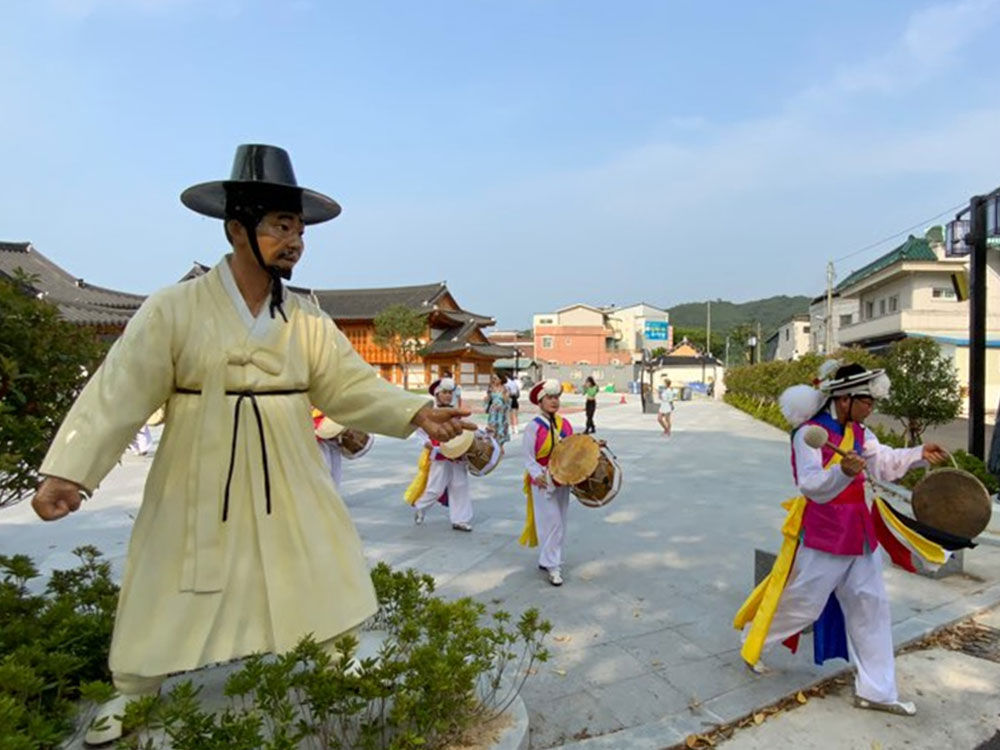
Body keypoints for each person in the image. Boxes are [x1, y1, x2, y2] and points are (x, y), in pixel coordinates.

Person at [29, 144, 473, 745]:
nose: (295, 241)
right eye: (280, 226)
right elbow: (119, 392)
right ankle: (135, 688)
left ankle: (338, 653)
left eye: (298, 229)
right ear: (237, 229)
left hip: (288, 458)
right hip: (198, 459)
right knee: (169, 563)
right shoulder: (174, 307)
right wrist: (71, 472)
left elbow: (347, 384)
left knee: (320, 547)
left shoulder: (307, 317)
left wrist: (417, 410)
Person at [734, 361, 952, 717]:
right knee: (804, 603)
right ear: (844, 397)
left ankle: (877, 691)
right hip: (825, 532)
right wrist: (840, 471)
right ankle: (752, 641)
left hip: (860, 533)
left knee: (872, 606)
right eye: (867, 400)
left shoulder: (861, 432)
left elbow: (883, 462)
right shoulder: (809, 434)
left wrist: (917, 455)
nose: (871, 407)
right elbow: (810, 485)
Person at [519, 378, 574, 586]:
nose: (554, 402)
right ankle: (553, 566)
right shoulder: (533, 427)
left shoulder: (564, 424)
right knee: (553, 523)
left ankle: (547, 558)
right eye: (549, 398)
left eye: (556, 398)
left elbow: (573, 448)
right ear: (540, 402)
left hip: (563, 479)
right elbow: (528, 456)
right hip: (543, 480)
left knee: (560, 520)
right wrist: (537, 474)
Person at [405, 378, 473, 531]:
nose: (448, 396)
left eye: (450, 393)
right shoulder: (431, 413)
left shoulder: (457, 413)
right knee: (435, 488)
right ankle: (421, 507)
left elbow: (466, 431)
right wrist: (426, 444)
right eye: (445, 393)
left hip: (457, 455)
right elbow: (420, 433)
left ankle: (460, 519)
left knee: (460, 485)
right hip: (439, 454)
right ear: (437, 395)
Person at [484, 372, 511, 445]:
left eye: (495, 378)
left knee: (501, 427)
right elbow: (488, 399)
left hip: (501, 411)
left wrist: (504, 396)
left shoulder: (506, 388)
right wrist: (486, 403)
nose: (494, 380)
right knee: (492, 426)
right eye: (493, 378)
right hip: (493, 411)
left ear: (501, 379)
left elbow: (507, 400)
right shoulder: (491, 388)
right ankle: (493, 444)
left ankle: (500, 444)